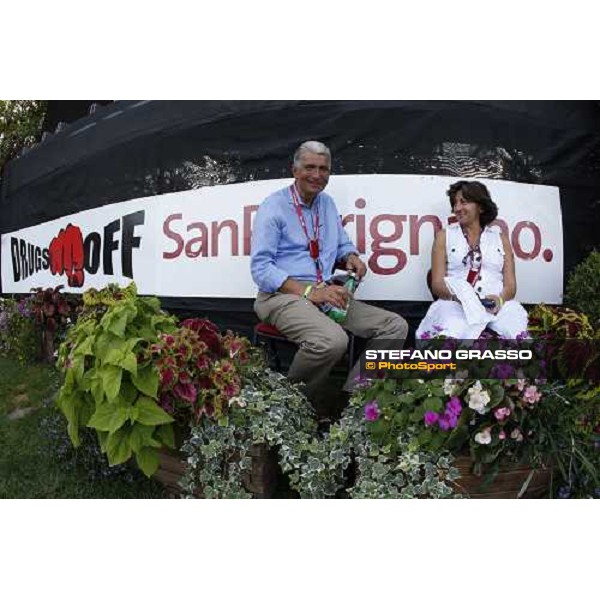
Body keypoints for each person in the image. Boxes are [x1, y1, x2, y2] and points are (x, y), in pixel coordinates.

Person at [251, 140, 408, 399]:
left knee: (395, 326)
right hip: (281, 296)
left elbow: (340, 244)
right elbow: (261, 269)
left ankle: (355, 400)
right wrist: (309, 291)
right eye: (310, 167)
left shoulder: (327, 204)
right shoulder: (273, 206)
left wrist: (350, 256)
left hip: (325, 294)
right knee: (332, 341)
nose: (317, 175)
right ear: (294, 170)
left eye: (323, 169)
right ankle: (291, 406)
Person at [416, 180, 528, 340]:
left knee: (516, 332)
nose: (457, 208)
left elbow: (510, 286)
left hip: (497, 307)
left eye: (464, 202)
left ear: (481, 207)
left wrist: (499, 299)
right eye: (455, 203)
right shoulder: (443, 236)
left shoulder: (501, 239)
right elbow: (437, 284)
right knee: (451, 335)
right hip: (455, 305)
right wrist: (462, 299)